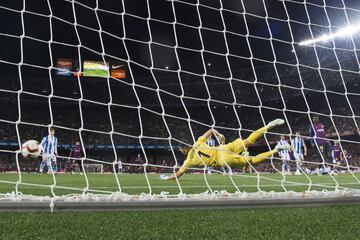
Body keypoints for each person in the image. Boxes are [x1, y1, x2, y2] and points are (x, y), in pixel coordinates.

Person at [160, 119, 290, 180]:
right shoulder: (198, 142)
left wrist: (166, 177)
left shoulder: (188, 161)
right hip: (223, 147)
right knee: (249, 141)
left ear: (183, 150)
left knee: (251, 161)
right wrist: (219, 135)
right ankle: (267, 126)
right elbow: (211, 129)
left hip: (223, 159)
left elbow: (177, 175)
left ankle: (276, 150)